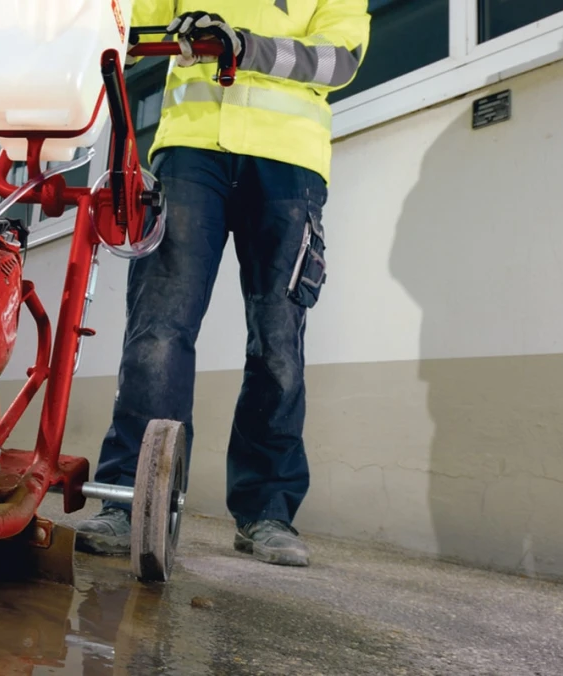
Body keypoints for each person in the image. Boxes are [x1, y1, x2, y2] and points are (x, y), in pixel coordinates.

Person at [72, 1, 370, 567]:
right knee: (158, 332)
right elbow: (127, 27)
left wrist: (244, 46)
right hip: (191, 154)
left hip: (287, 162)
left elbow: (340, 60)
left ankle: (267, 511)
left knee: (277, 344)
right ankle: (130, 498)